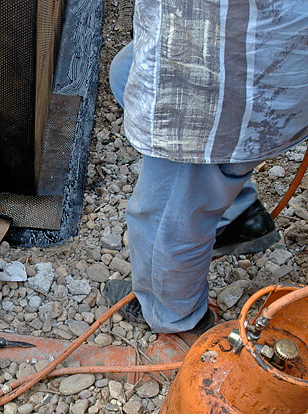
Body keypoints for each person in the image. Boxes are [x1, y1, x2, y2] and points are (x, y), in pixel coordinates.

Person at [103, 1, 308, 333]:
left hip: (223, 59)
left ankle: (174, 315)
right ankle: (236, 215)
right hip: (266, 43)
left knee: (165, 215)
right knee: (126, 74)